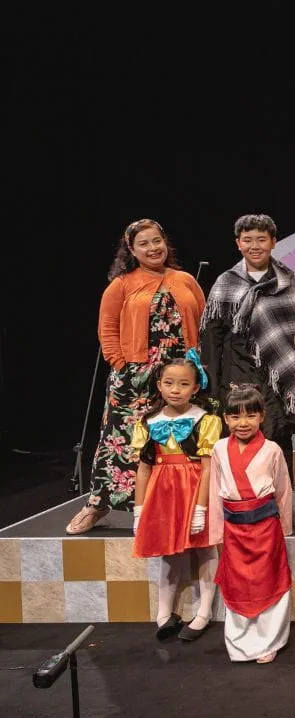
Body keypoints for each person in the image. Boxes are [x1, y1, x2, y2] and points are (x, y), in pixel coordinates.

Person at [68, 219, 205, 535]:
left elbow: (203, 321)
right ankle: (98, 503)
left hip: (181, 376)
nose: (153, 248)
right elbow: (107, 329)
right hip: (134, 378)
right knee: (122, 441)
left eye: (157, 241)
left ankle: (175, 507)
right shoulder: (121, 284)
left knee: (177, 440)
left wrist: (197, 367)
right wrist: (120, 365)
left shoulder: (184, 280)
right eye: (144, 243)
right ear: (131, 249)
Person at [201, 214, 295, 474]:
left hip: (276, 374)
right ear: (238, 243)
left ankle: (279, 498)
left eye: (261, 239)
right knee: (241, 435)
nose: (255, 246)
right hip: (238, 370)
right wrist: (212, 383)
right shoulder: (226, 281)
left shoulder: (287, 279)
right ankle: (238, 497)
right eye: (247, 240)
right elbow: (212, 336)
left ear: (273, 242)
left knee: (277, 438)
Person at [130, 353, 223, 643]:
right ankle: (163, 613)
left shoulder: (205, 420)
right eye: (169, 383)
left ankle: (204, 612)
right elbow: (143, 469)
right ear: (159, 385)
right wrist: (139, 510)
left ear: (195, 388)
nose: (175, 389)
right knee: (169, 552)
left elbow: (208, 468)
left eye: (183, 384)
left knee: (205, 548)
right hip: (163, 493)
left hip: (194, 489)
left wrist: (201, 508)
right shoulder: (148, 422)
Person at [210, 385, 293, 664]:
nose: (242, 423)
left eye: (250, 415)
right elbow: (214, 491)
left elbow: (283, 490)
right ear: (225, 419)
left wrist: (284, 529)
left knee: (269, 582)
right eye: (235, 416)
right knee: (237, 585)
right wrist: (216, 532)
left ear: (261, 416)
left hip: (266, 528)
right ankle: (240, 643)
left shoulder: (272, 450)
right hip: (233, 529)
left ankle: (269, 641)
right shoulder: (219, 449)